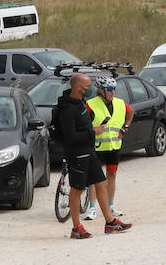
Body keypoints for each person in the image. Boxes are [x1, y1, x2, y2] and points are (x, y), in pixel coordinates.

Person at [56, 73, 132, 238]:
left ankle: (110, 222)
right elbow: (71, 137)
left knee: (101, 182)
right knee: (77, 189)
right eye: (87, 86)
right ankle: (77, 228)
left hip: (89, 151)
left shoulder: (80, 102)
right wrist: (94, 131)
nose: (90, 89)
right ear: (78, 87)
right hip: (77, 154)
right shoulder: (67, 109)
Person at [87, 74, 132, 218]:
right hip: (97, 147)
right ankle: (92, 207)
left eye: (114, 88)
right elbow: (83, 126)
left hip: (114, 146)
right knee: (95, 178)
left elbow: (130, 112)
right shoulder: (91, 104)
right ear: (100, 90)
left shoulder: (119, 103)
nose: (113, 92)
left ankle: (111, 205)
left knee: (112, 175)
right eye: (109, 89)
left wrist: (125, 127)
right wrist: (94, 130)